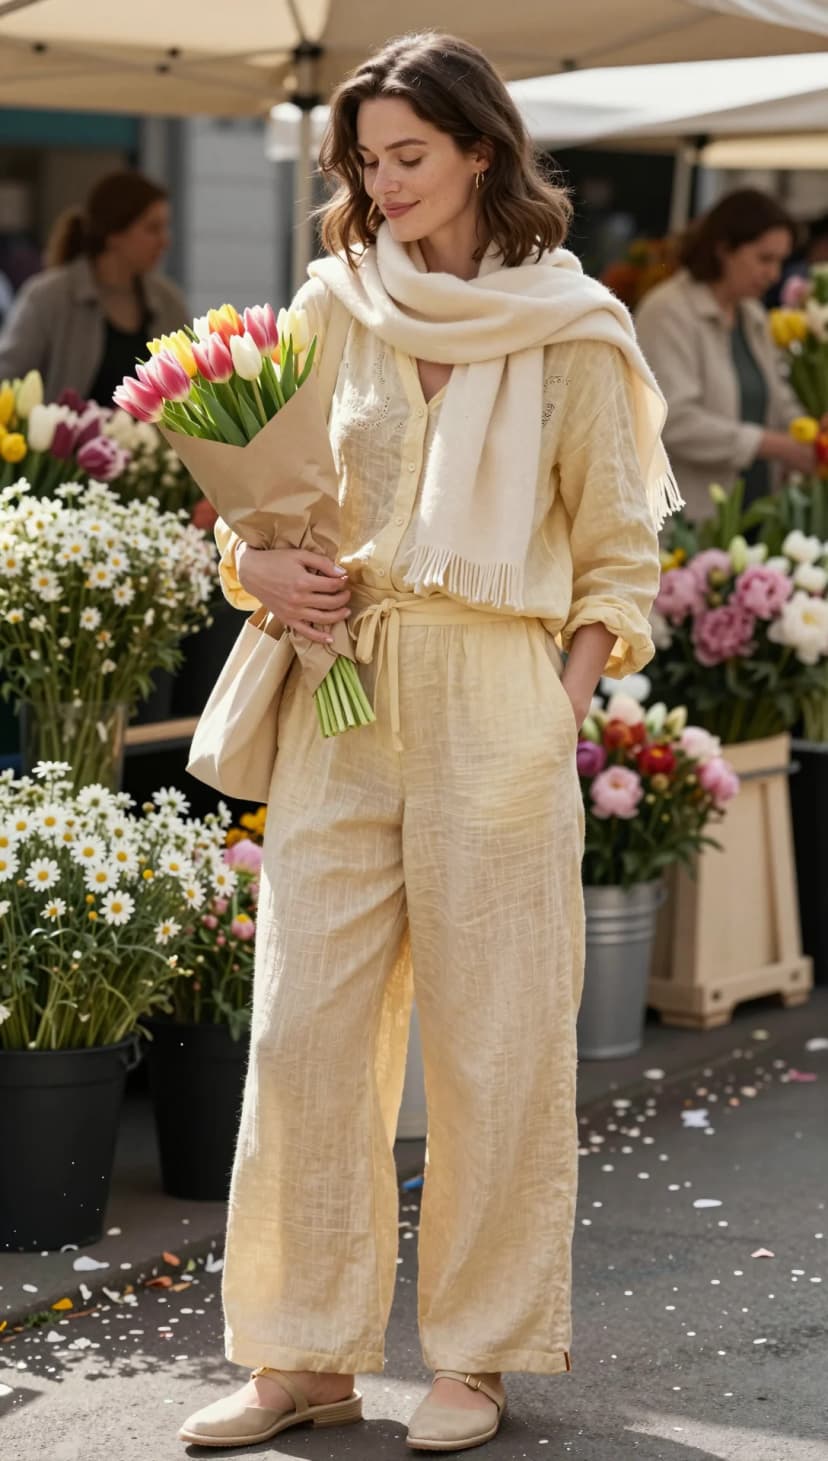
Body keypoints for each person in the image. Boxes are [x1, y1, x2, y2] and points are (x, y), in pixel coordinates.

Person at [179, 31, 667, 1455]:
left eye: (408, 156)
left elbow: (618, 561)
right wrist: (257, 569)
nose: (383, 184)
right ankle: (300, 1355)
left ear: (479, 151)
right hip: (340, 686)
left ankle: (480, 1354)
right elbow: (256, 508)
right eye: (366, 161)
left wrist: (557, 708)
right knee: (304, 1031)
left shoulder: (575, 326)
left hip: (498, 698)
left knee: (495, 1042)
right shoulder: (333, 303)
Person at [635, 188, 812, 522]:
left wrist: (811, 431)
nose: (774, 274)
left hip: (757, 512)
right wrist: (772, 445)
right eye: (764, 259)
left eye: (780, 261)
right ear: (724, 249)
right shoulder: (668, 311)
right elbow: (673, 419)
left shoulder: (752, 314)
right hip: (690, 519)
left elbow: (779, 401)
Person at [0, 170, 186, 405]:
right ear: (114, 234)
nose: (165, 241)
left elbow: (189, 388)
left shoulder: (169, 302)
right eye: (152, 228)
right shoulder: (48, 298)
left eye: (165, 228)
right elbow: (7, 382)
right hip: (65, 430)